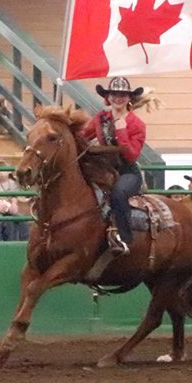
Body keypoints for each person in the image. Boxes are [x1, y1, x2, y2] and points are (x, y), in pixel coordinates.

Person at [78, 77, 147, 255]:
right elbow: (84, 136)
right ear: (108, 97)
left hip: (128, 171)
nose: (118, 97)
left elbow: (132, 155)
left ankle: (125, 240)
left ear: (129, 98)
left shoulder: (137, 124)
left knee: (118, 193)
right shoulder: (100, 119)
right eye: (114, 94)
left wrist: (122, 130)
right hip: (104, 170)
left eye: (123, 94)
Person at [0, 160, 29, 241]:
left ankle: (24, 240)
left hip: (9, 208)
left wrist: (14, 204)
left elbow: (14, 196)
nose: (1, 173)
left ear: (9, 171)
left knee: (21, 219)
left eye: (3, 170)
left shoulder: (13, 183)